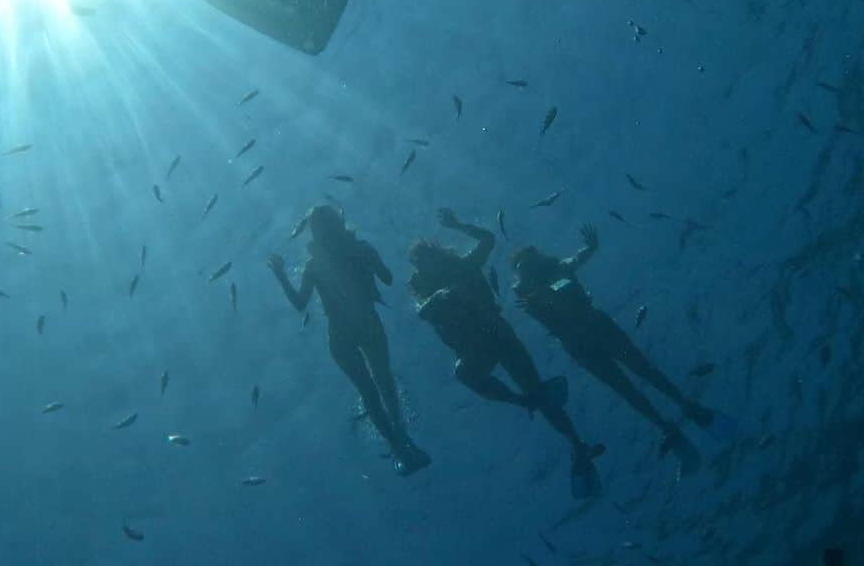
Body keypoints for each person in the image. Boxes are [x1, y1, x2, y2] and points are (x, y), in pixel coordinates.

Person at [408, 208, 603, 497]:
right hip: (476, 347)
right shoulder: (425, 290)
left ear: (437, 255)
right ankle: (523, 401)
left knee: (537, 391)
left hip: (497, 334)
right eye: (422, 265)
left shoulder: (464, 266)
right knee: (464, 372)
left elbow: (488, 239)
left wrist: (458, 225)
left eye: (428, 259)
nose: (428, 268)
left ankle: (575, 443)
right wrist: (439, 296)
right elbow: (422, 311)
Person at [511, 224, 721, 471]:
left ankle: (678, 409)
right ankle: (672, 416)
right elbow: (576, 261)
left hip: (589, 334)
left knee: (638, 373)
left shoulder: (551, 276)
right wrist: (589, 248)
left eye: (527, 264)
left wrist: (589, 248)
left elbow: (576, 261)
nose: (528, 271)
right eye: (523, 269)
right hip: (584, 339)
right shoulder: (531, 292)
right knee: (630, 382)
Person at [268, 205, 430, 475]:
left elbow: (299, 304)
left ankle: (400, 445)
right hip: (362, 325)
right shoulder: (339, 255)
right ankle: (400, 441)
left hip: (343, 332)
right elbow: (387, 278)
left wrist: (282, 275)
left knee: (374, 387)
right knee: (381, 382)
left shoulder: (315, 264)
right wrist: (368, 257)